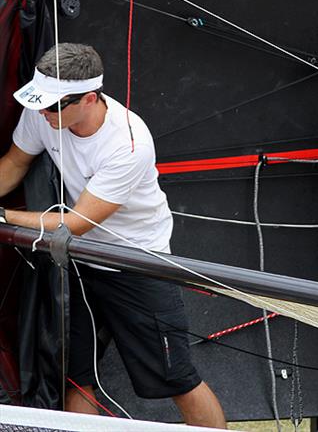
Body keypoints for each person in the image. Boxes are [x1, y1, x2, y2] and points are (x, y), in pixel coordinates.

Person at [0, 43, 226, 428]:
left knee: (178, 379)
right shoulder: (46, 113)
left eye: (52, 105)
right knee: (77, 376)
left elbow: (79, 222)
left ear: (89, 98)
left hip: (137, 264)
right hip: (79, 262)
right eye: (38, 101)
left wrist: (4, 216)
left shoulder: (128, 142)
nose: (41, 111)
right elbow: (15, 161)